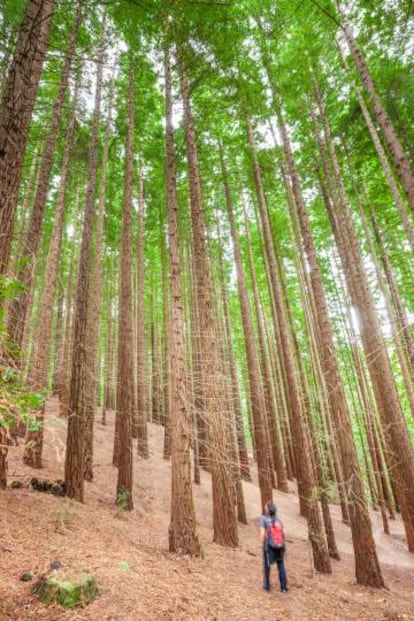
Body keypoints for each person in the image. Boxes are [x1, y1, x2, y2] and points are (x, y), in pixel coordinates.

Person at [260, 500, 288, 593]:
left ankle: (267, 586)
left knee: (267, 566)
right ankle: (284, 588)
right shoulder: (278, 519)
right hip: (280, 546)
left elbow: (262, 534)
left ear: (268, 509)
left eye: (265, 507)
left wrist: (263, 544)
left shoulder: (263, 519)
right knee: (281, 566)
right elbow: (284, 534)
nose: (265, 508)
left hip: (269, 546)